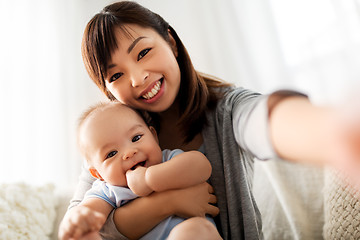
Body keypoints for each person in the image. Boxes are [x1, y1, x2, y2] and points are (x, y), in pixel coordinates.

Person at [63, 1, 360, 239]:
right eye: (116, 75)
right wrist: (169, 202)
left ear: (171, 42)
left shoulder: (227, 110)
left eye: (143, 52)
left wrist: (332, 131)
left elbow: (264, 121)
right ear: (107, 90)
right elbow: (84, 224)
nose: (138, 79)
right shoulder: (109, 143)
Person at [59, 101, 221, 240]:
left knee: (195, 229)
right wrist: (78, 220)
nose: (129, 153)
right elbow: (88, 211)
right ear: (98, 174)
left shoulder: (169, 160)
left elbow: (201, 166)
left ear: (154, 136)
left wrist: (148, 179)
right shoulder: (109, 190)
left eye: (136, 138)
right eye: (111, 154)